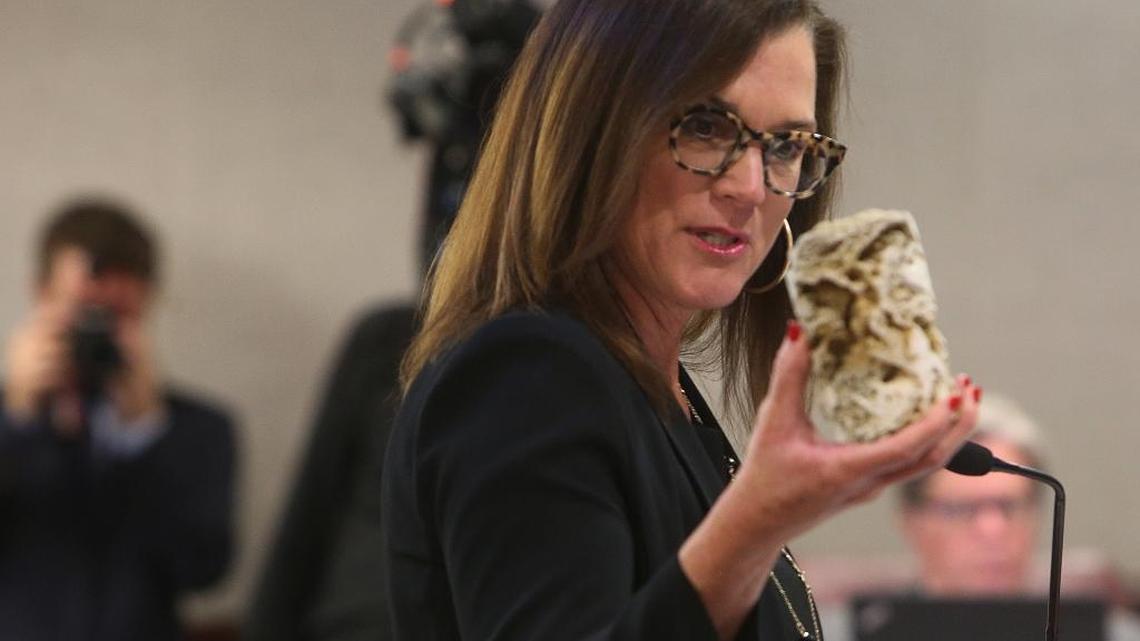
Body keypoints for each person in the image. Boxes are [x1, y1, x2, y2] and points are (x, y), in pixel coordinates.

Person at [382, 1, 982, 640]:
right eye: (704, 127)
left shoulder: (655, 388)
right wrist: (755, 524)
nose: (750, 186)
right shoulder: (527, 376)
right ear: (592, 134)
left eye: (784, 145)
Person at [0, 197, 237, 641]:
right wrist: (16, 420)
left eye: (117, 316)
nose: (97, 332)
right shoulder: (9, 418)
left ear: (146, 303)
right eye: (84, 311)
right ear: (41, 293)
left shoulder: (199, 428)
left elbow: (202, 570)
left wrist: (145, 431)